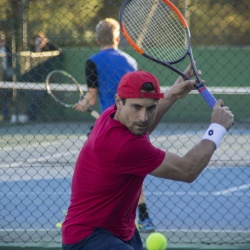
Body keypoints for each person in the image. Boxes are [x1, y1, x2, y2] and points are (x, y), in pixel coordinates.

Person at [61, 68, 234, 249]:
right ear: (118, 102)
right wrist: (217, 128)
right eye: (136, 107)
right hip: (88, 237)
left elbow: (143, 125)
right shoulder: (123, 145)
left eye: (151, 108)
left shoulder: (112, 115)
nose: (143, 117)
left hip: (121, 230)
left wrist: (172, 94)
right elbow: (187, 170)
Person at [73, 18, 154, 232]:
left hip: (108, 127)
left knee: (94, 174)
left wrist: (82, 104)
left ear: (98, 39)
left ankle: (90, 218)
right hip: (135, 123)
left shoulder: (92, 61)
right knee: (134, 175)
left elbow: (91, 99)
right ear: (118, 38)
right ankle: (144, 218)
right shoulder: (131, 62)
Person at [17, 31, 59, 123]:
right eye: (38, 41)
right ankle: (26, 116)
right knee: (30, 95)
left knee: (39, 95)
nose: (40, 43)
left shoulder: (47, 49)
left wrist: (48, 42)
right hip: (32, 79)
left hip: (44, 79)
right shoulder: (30, 50)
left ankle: (29, 115)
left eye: (41, 41)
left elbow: (58, 50)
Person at [0, 31, 14, 122]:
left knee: (5, 95)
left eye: (1, 40)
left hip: (5, 75)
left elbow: (11, 62)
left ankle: (6, 115)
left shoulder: (8, 49)